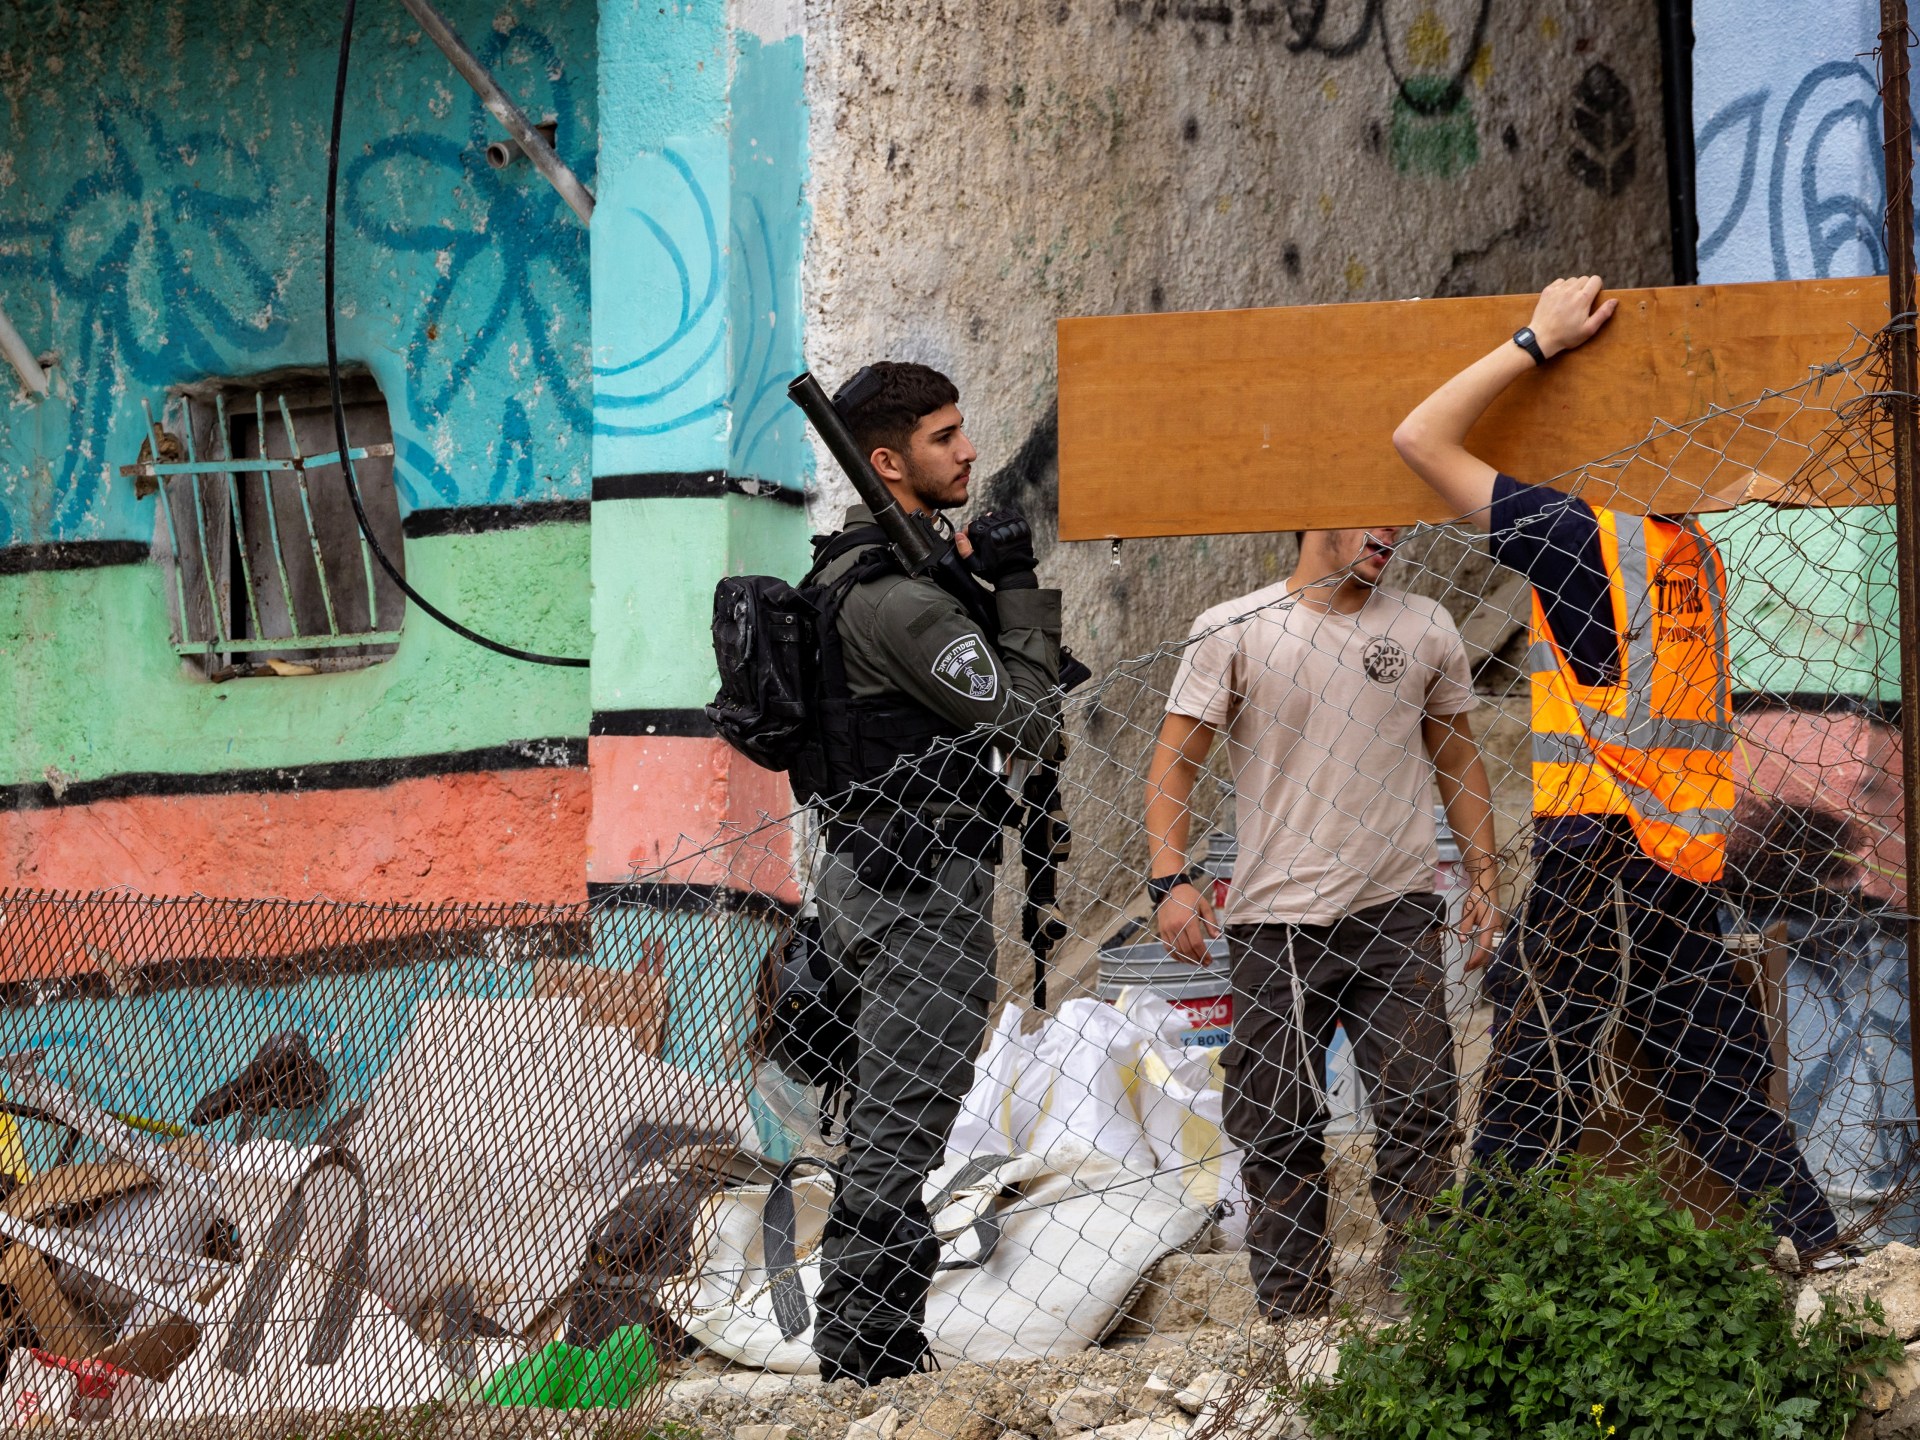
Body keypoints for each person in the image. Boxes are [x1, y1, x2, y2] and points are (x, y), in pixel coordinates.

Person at [1391, 274, 1840, 1254]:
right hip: (1677, 850)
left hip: (1597, 847)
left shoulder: (1585, 542)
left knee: (1535, 1080)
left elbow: (1418, 438)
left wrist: (1534, 342)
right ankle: (1818, 1244)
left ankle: (1482, 1279)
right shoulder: (1691, 550)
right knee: (1715, 1080)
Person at [1143, 526, 1500, 1318]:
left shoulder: (1424, 623)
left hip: (1396, 913)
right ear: (1313, 508)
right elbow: (1177, 758)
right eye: (1372, 510)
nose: (1391, 531)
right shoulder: (1234, 629)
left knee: (1421, 1107)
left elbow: (1455, 753)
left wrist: (1483, 872)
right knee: (1277, 1123)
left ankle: (1426, 1304)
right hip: (1276, 922)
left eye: (1400, 517)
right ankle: (1296, 1319)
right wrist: (1171, 879)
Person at [806, 361, 1063, 1383]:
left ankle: (872, 1344)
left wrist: (974, 587)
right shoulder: (900, 603)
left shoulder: (865, 575)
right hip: (917, 894)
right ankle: (866, 1357)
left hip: (876, 876)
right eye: (944, 437)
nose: (968, 452)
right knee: (899, 1129)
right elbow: (1031, 721)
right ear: (885, 461)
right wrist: (1016, 590)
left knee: (892, 1120)